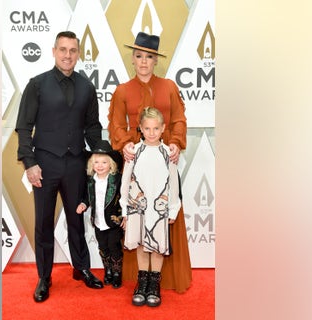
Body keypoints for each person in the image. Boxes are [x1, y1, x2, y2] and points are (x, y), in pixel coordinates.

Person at [15, 30, 104, 303]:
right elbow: (24, 126)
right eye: (63, 49)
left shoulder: (87, 88)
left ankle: (82, 268)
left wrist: (102, 156)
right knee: (43, 222)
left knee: (77, 219)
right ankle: (44, 277)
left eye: (73, 50)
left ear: (78, 54)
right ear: (54, 51)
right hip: (44, 164)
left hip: (76, 164)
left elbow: (92, 127)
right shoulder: (37, 84)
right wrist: (29, 163)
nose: (68, 55)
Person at [107, 32, 192, 294]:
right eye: (139, 56)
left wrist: (176, 142)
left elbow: (178, 119)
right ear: (133, 59)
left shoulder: (169, 86)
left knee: (165, 217)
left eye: (150, 57)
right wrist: (125, 144)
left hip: (165, 164)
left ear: (156, 60)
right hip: (137, 164)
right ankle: (142, 279)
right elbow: (116, 125)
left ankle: (161, 280)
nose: (144, 61)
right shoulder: (122, 90)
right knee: (139, 221)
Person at [120, 107, 181, 307]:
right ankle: (142, 281)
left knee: (156, 245)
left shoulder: (168, 153)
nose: (152, 132)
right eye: (147, 128)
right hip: (137, 206)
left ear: (163, 128)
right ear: (141, 129)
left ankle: (154, 283)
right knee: (140, 244)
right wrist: (124, 207)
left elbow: (173, 183)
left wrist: (173, 209)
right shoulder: (134, 152)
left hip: (159, 207)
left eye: (156, 128)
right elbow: (125, 181)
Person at [76, 140, 124, 288]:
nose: (100, 165)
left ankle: (117, 273)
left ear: (111, 164)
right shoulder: (91, 181)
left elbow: (124, 198)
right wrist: (84, 204)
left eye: (104, 162)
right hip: (98, 222)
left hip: (113, 221)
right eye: (96, 162)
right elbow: (88, 196)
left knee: (114, 247)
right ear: (91, 164)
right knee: (103, 247)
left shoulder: (117, 180)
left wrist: (124, 216)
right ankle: (108, 270)